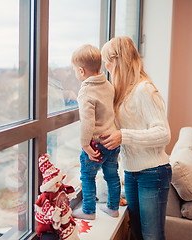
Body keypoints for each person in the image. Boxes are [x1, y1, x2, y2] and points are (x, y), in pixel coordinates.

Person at [100, 36, 172, 240]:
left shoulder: (144, 89)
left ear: (117, 61)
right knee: (137, 234)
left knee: (152, 237)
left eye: (108, 62)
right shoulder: (123, 92)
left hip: (153, 173)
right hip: (131, 172)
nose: (106, 67)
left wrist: (124, 136)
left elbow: (164, 133)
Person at [70, 44, 121, 220]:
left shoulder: (85, 92)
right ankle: (113, 208)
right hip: (112, 142)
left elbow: (87, 122)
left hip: (96, 145)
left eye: (75, 70)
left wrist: (84, 144)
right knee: (112, 176)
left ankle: (88, 210)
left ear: (81, 71)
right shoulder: (108, 85)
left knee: (88, 177)